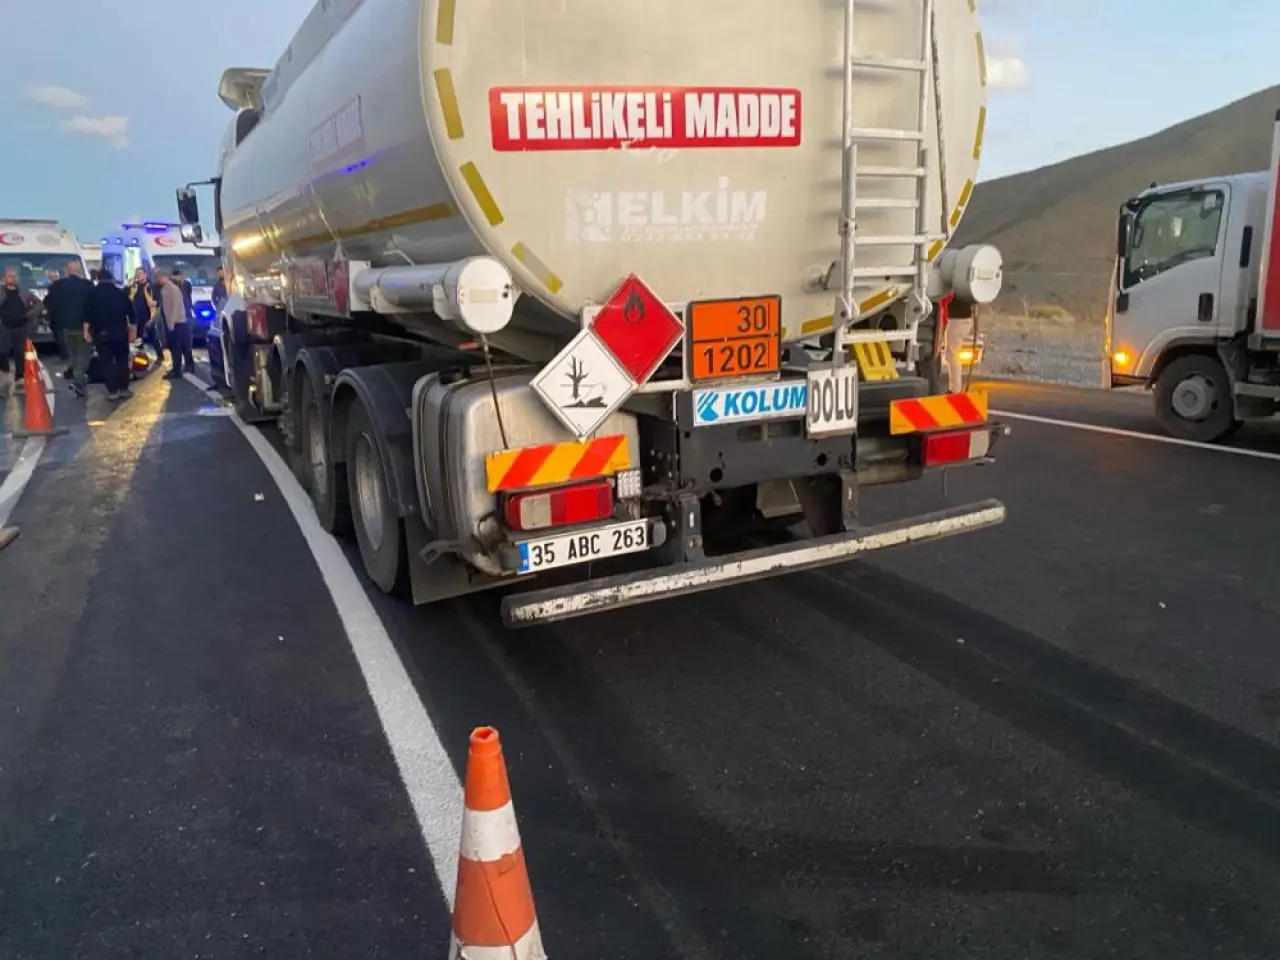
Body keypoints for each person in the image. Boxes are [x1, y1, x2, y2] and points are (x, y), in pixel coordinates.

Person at [44, 258, 95, 397]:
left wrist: (53, 320)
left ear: (67, 271)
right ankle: (78, 381)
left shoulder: (58, 285)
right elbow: (93, 305)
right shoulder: (88, 285)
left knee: (72, 354)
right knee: (83, 354)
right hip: (84, 326)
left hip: (64, 327)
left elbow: (48, 303)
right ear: (80, 271)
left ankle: (78, 381)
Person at [84, 266, 136, 400]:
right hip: (120, 333)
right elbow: (131, 314)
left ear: (98, 279)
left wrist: (86, 332)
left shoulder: (92, 295)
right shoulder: (120, 294)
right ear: (111, 279)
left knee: (106, 362)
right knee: (122, 360)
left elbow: (86, 315)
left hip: (101, 334)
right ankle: (123, 388)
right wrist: (133, 332)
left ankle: (112, 391)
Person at [0, 268, 42, 394]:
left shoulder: (24, 292)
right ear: (4, 278)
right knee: (2, 352)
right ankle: (4, 376)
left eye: (14, 276)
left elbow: (39, 304)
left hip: (21, 326)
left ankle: (20, 378)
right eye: (10, 276)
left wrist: (28, 315)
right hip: (4, 326)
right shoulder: (1, 291)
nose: (12, 278)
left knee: (20, 353)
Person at [154, 270, 190, 379]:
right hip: (171, 321)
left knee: (176, 347)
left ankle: (177, 370)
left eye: (158, 278)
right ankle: (176, 368)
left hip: (176, 322)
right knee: (174, 346)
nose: (158, 281)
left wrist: (172, 321)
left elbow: (175, 306)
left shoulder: (172, 289)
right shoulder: (166, 288)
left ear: (164, 277)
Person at [171, 268, 196, 370]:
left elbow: (187, 297)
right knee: (178, 344)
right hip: (179, 317)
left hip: (185, 316)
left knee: (186, 343)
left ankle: (188, 365)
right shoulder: (172, 286)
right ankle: (181, 366)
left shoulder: (186, 285)